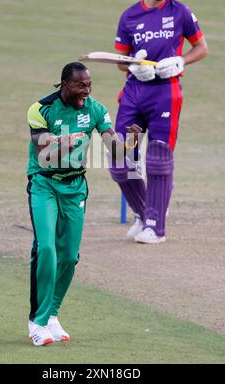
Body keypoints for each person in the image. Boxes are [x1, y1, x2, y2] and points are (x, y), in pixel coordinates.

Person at [26, 62, 140, 346]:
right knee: (47, 249)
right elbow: (43, 153)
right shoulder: (40, 109)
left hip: (75, 188)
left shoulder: (96, 110)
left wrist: (131, 143)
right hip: (44, 184)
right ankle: (37, 322)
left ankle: (52, 315)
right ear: (64, 84)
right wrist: (65, 141)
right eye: (80, 86)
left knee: (70, 257)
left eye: (89, 86)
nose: (86, 92)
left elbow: (113, 150)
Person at [109, 0, 208, 244]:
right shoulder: (129, 16)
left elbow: (201, 47)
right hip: (134, 92)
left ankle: (156, 226)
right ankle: (143, 213)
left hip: (166, 92)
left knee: (158, 159)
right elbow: (120, 60)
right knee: (118, 157)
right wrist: (133, 66)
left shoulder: (181, 12)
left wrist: (181, 61)